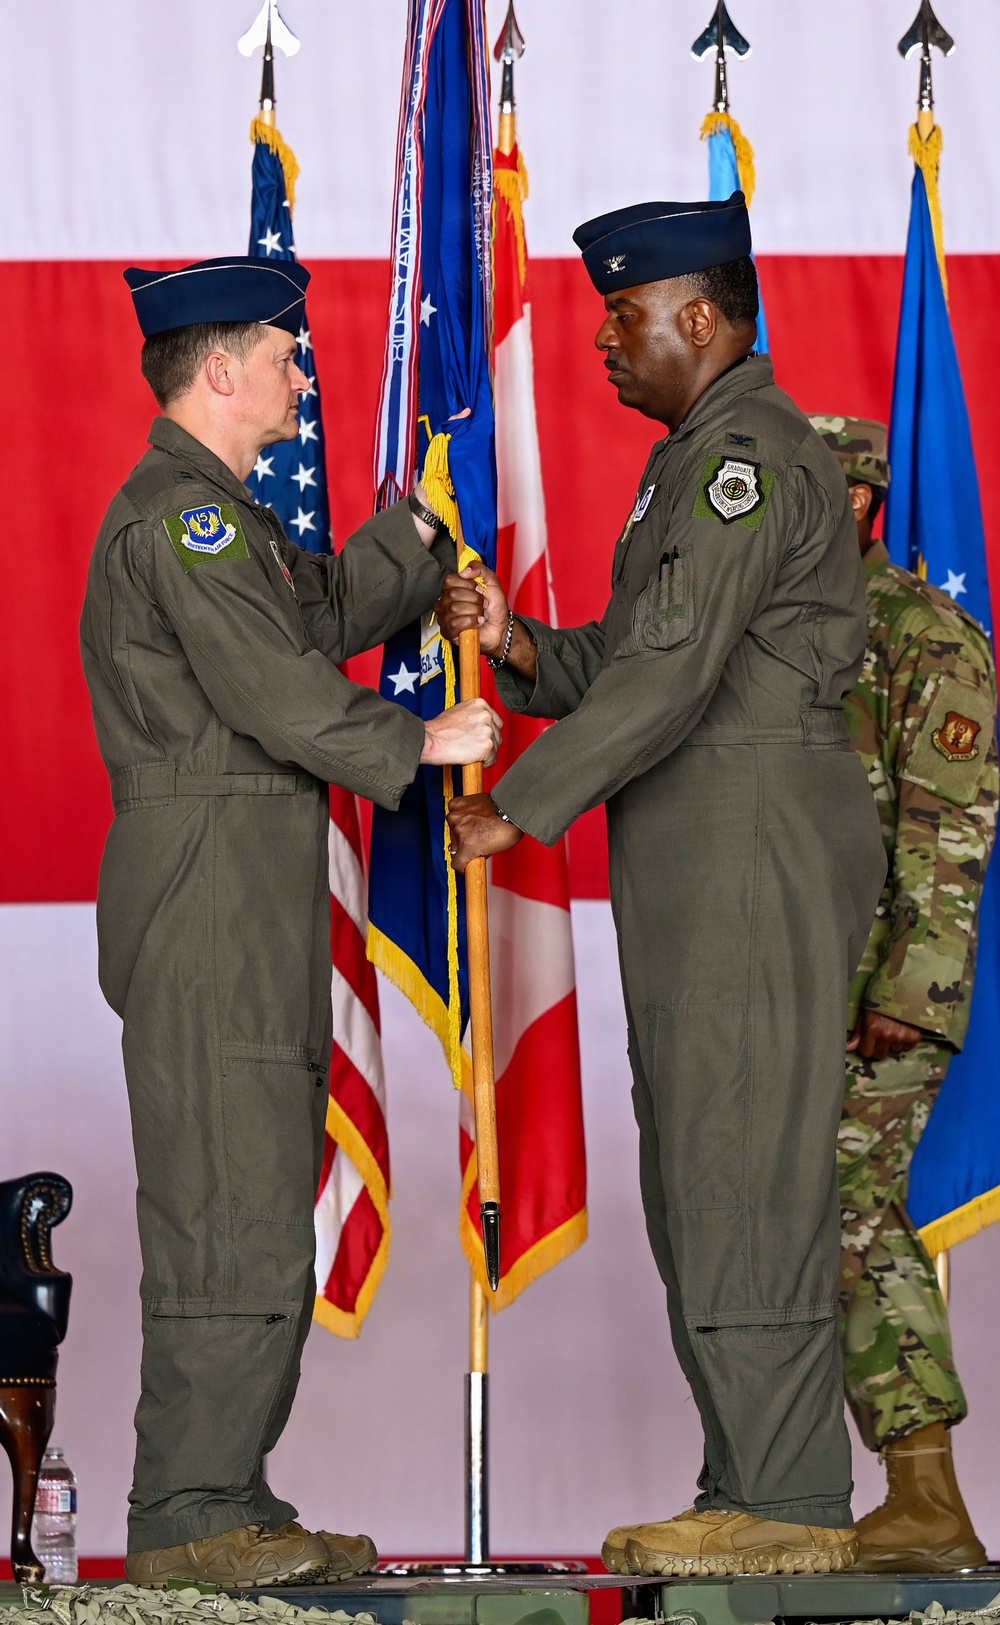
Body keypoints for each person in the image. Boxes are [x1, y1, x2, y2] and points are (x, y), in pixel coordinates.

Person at [439, 195, 886, 1578]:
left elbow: (674, 679)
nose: (601, 342)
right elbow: (650, 657)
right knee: (705, 1167)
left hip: (749, 853)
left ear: (700, 317)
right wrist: (519, 646)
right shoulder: (697, 459)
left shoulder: (743, 458)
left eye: (623, 318)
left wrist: (518, 804)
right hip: (709, 854)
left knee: (741, 1162)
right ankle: (749, 1478)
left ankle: (793, 1498)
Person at [79, 256, 501, 1588]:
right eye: (284, 353)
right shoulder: (181, 523)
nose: (303, 374)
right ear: (220, 371)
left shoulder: (227, 521)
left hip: (238, 893)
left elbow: (310, 613)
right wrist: (415, 737)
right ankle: (191, 1510)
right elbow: (271, 679)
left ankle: (222, 1490)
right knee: (227, 1203)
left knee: (256, 1195)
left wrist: (419, 531)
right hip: (211, 890)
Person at [809, 415, 998, 1573]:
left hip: (885, 990)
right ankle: (840, 1483)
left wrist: (910, 992)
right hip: (808, 986)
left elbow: (949, 830)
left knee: (843, 1200)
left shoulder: (921, 630)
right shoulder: (801, 632)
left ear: (863, 504)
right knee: (805, 1209)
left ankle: (925, 1490)